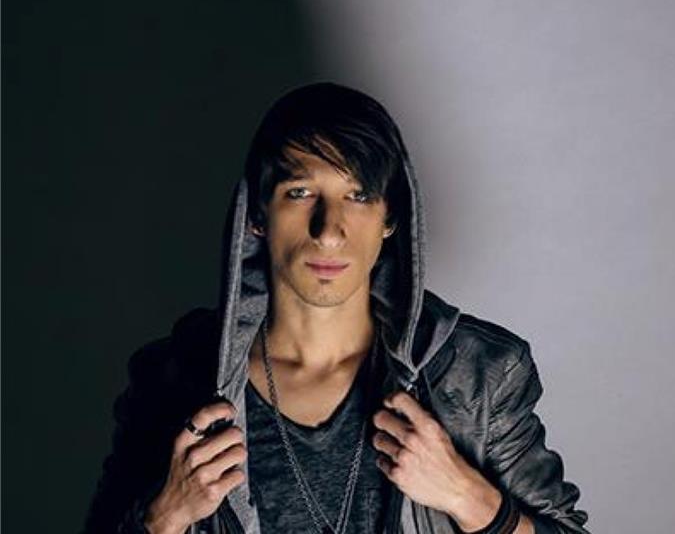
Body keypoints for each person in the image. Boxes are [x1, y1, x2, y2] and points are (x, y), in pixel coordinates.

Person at [84, 82, 590, 534]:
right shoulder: (173, 379)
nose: (329, 230)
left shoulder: (477, 375)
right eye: (301, 192)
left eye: (358, 196)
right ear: (258, 215)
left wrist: (469, 498)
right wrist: (163, 519)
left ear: (390, 219)